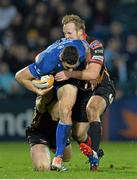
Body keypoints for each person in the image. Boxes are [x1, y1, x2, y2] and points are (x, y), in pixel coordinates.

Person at [15, 38, 90, 170]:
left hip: (57, 130)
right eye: (67, 68)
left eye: (73, 68)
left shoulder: (81, 50)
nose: (70, 72)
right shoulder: (46, 67)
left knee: (68, 157)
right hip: (41, 133)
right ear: (61, 59)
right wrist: (38, 90)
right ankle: (44, 154)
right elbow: (19, 76)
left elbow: (86, 45)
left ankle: (59, 150)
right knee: (43, 167)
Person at [54, 14, 116, 171]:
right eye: (64, 33)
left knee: (93, 108)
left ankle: (94, 160)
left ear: (81, 31)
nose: (66, 37)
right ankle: (95, 151)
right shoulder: (64, 47)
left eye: (69, 33)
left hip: (102, 87)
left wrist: (69, 74)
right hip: (82, 91)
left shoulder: (94, 45)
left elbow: (94, 74)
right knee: (79, 135)